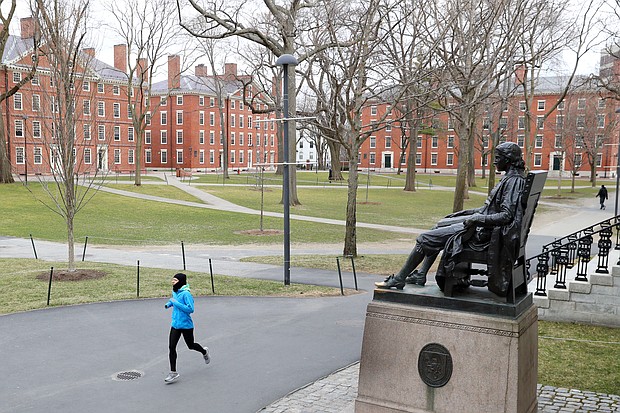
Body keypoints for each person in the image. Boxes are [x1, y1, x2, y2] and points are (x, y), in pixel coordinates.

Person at [375, 141, 526, 297]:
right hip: (484, 228)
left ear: (507, 160)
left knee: (424, 238)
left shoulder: (513, 181)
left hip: (484, 235)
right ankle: (420, 274)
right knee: (439, 225)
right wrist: (467, 214)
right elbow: (492, 209)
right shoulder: (511, 178)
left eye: (498, 157)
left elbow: (506, 215)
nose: (494, 161)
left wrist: (476, 218)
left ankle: (399, 279)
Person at [164, 273, 210, 384]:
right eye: (172, 280)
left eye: (175, 280)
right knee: (171, 347)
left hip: (186, 325)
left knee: (191, 345)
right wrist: (169, 304)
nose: (172, 282)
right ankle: (173, 372)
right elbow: (174, 301)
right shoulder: (175, 291)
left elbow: (190, 309)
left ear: (180, 281)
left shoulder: (186, 294)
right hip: (175, 324)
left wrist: (175, 303)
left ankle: (204, 351)